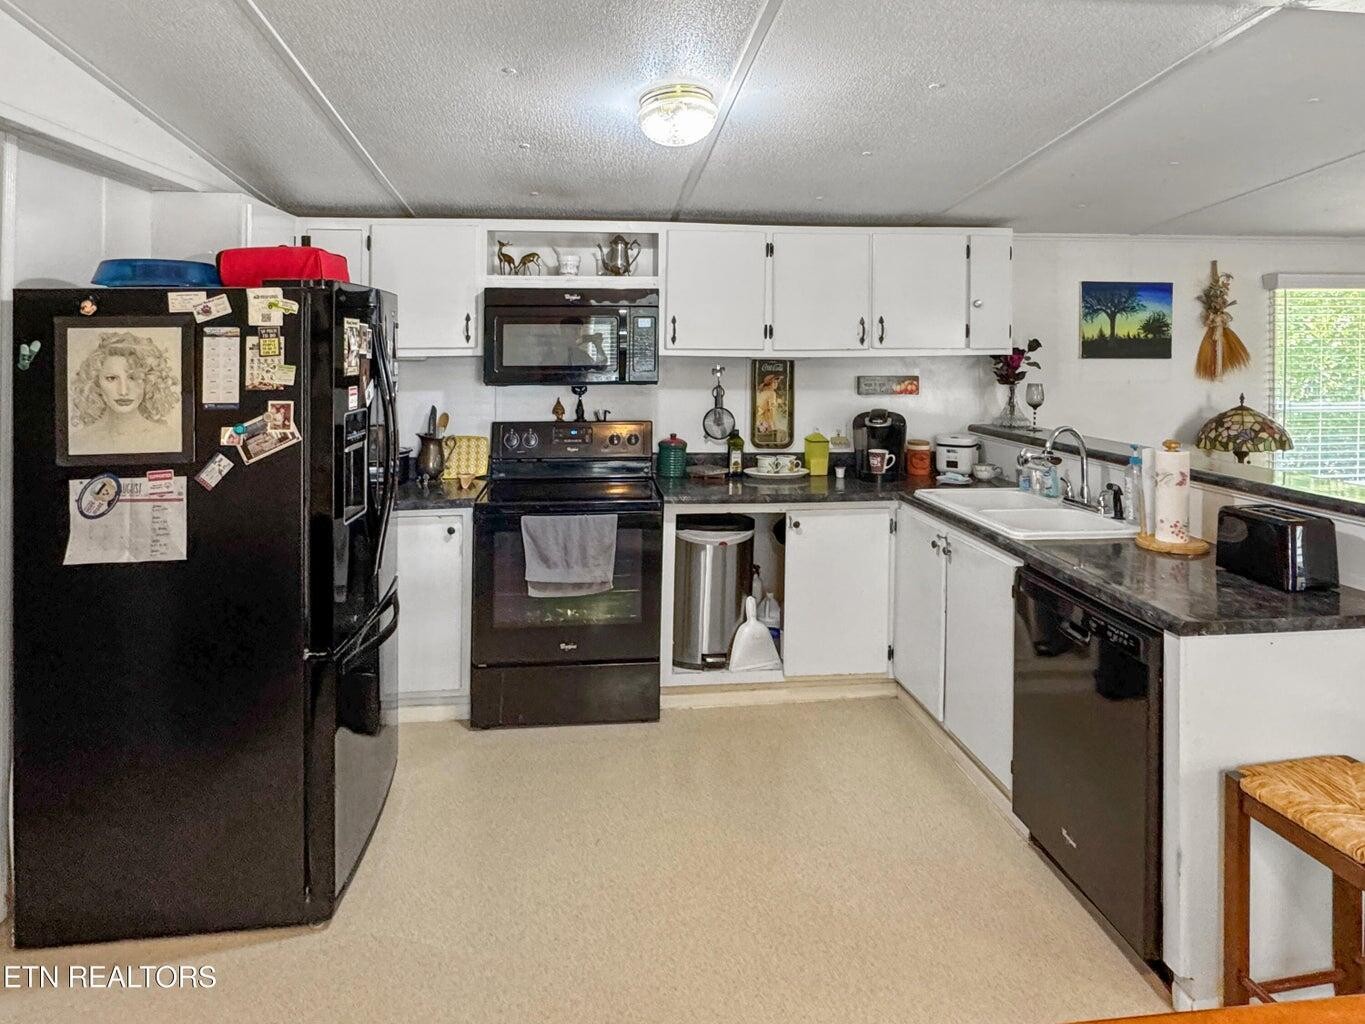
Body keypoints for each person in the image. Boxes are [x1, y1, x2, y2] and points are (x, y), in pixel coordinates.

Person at [69, 331, 180, 455]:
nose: (123, 391)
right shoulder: (78, 440)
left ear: (149, 382)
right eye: (111, 378)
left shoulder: (170, 439)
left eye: (133, 377)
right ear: (96, 383)